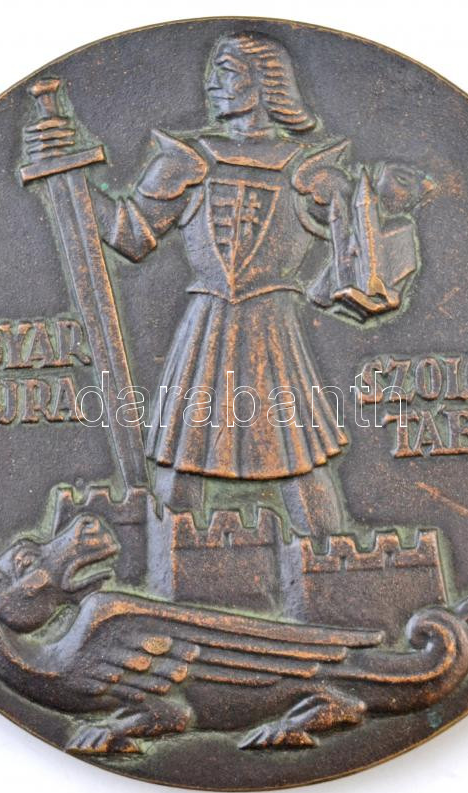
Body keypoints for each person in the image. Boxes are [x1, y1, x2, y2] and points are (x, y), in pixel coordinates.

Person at [27, 32, 427, 545]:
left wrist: (376, 208)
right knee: (180, 458)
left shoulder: (310, 170)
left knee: (298, 456)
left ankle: (332, 561)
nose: (213, 84)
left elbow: (361, 249)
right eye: (214, 71)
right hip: (206, 327)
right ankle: (167, 563)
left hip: (272, 327)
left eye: (228, 72)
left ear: (266, 85)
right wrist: (71, 178)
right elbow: (130, 235)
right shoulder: (185, 162)